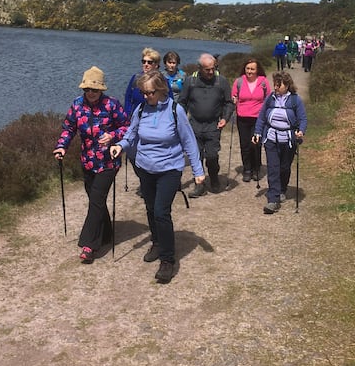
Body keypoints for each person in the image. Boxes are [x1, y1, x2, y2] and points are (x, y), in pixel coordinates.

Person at [110, 71, 205, 283]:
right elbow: (131, 134)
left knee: (162, 212)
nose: (146, 96)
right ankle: (157, 242)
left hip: (169, 169)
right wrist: (120, 146)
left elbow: (189, 142)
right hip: (145, 167)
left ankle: (167, 260)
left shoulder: (175, 110)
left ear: (161, 90)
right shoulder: (141, 109)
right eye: (143, 92)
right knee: (151, 209)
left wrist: (198, 171)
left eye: (150, 93)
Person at [54, 67, 129, 263]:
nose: (90, 93)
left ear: (101, 90)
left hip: (108, 162)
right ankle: (106, 234)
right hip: (87, 161)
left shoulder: (112, 105)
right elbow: (68, 128)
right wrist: (61, 147)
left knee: (96, 199)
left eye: (94, 90)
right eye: (87, 89)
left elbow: (127, 127)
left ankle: (88, 244)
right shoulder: (77, 105)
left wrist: (113, 136)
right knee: (96, 199)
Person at [178, 53, 234, 196]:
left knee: (211, 156)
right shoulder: (190, 81)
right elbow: (182, 102)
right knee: (196, 156)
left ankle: (214, 177)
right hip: (194, 125)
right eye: (207, 69)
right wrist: (181, 119)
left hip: (213, 125)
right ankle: (199, 184)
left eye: (213, 68)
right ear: (200, 68)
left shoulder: (221, 82)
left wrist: (225, 118)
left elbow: (229, 103)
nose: (211, 72)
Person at [253, 71, 307, 214]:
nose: (275, 88)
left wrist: (300, 131)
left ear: (287, 85)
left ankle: (282, 188)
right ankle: (273, 199)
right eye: (275, 85)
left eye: (279, 85)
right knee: (273, 168)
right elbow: (261, 117)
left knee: (284, 167)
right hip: (271, 138)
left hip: (288, 140)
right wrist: (257, 132)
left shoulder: (295, 100)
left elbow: (302, 119)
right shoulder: (270, 98)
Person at [231, 58, 270, 182]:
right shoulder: (239, 81)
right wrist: (234, 100)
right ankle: (247, 169)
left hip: (258, 118)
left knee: (256, 144)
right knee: (245, 145)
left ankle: (256, 168)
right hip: (242, 118)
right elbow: (234, 96)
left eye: (252, 69)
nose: (250, 71)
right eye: (248, 68)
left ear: (257, 70)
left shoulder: (263, 82)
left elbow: (268, 98)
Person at [124, 47, 163, 118]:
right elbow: (128, 98)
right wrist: (128, 114)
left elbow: (168, 100)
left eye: (149, 62)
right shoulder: (136, 78)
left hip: (155, 117)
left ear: (156, 65)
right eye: (143, 61)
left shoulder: (162, 80)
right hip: (135, 117)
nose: (146, 64)